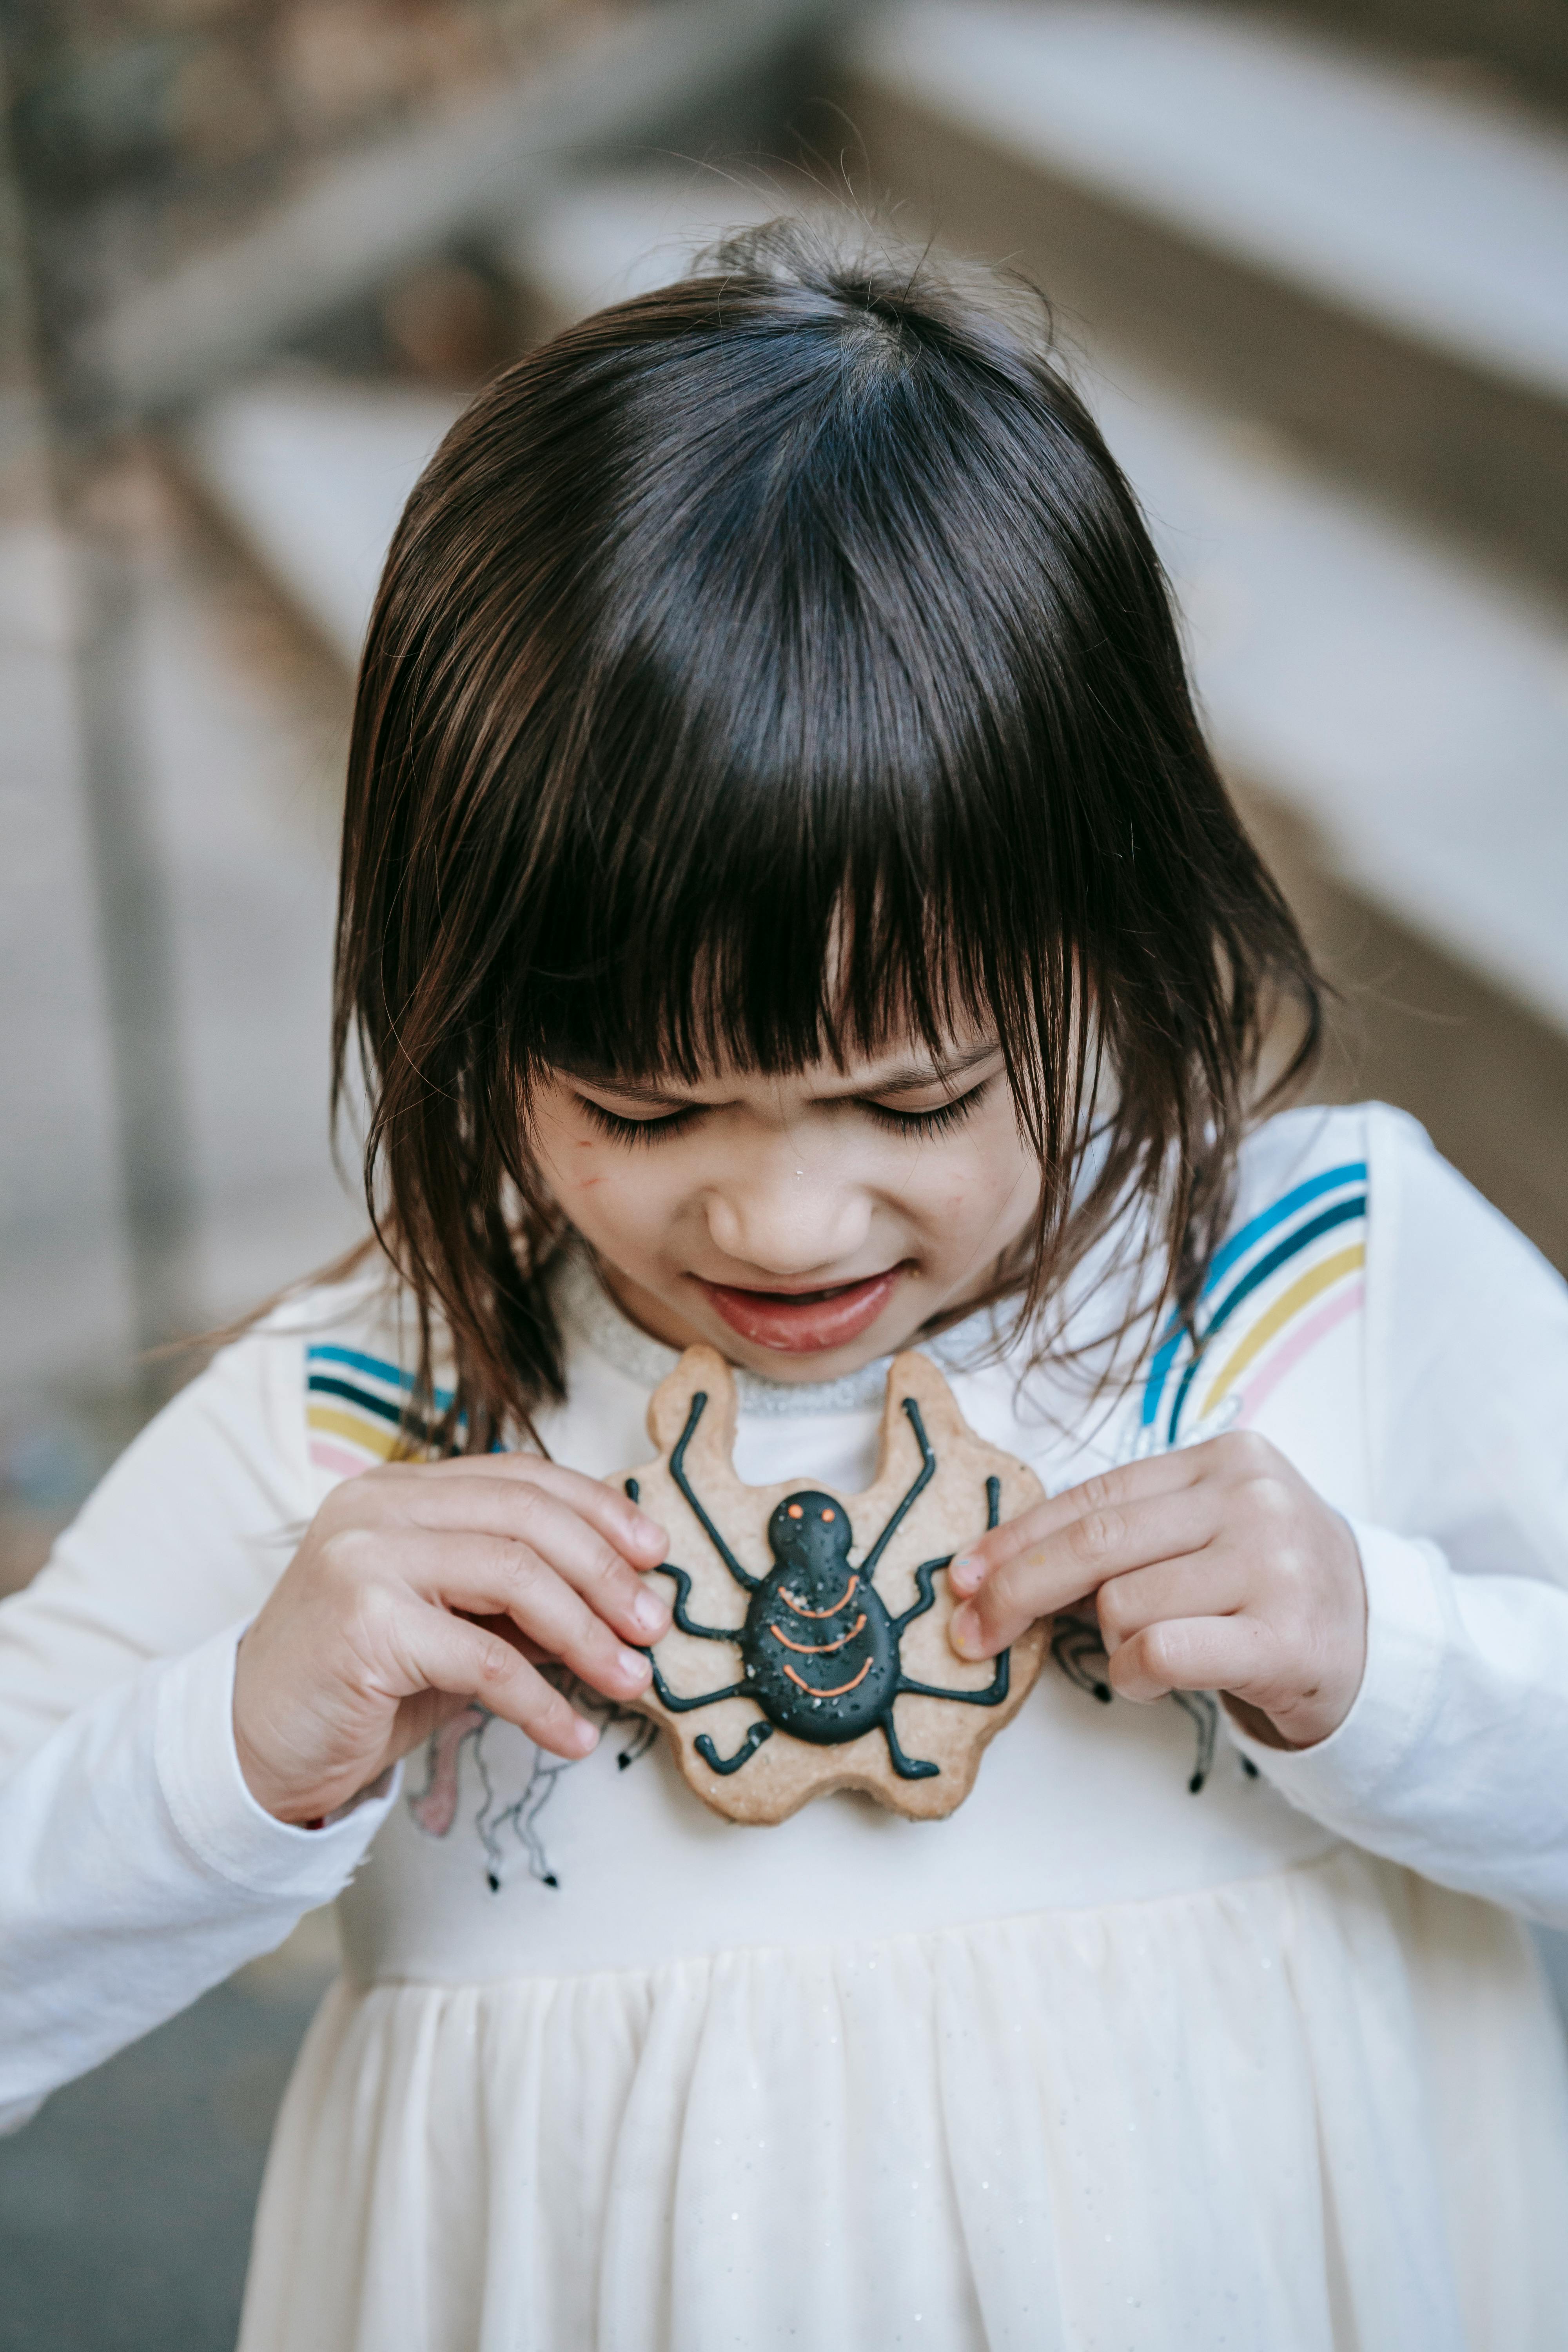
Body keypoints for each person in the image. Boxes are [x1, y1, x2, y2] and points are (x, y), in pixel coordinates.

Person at [3, 217, 1567, 2351]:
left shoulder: (1322, 1289)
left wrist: (1399, 1666)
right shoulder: (375, 1430)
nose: (784, 1225)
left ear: (1117, 932)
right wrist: (231, 1752)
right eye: (647, 1116)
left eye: (909, 1100)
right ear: (460, 1021)